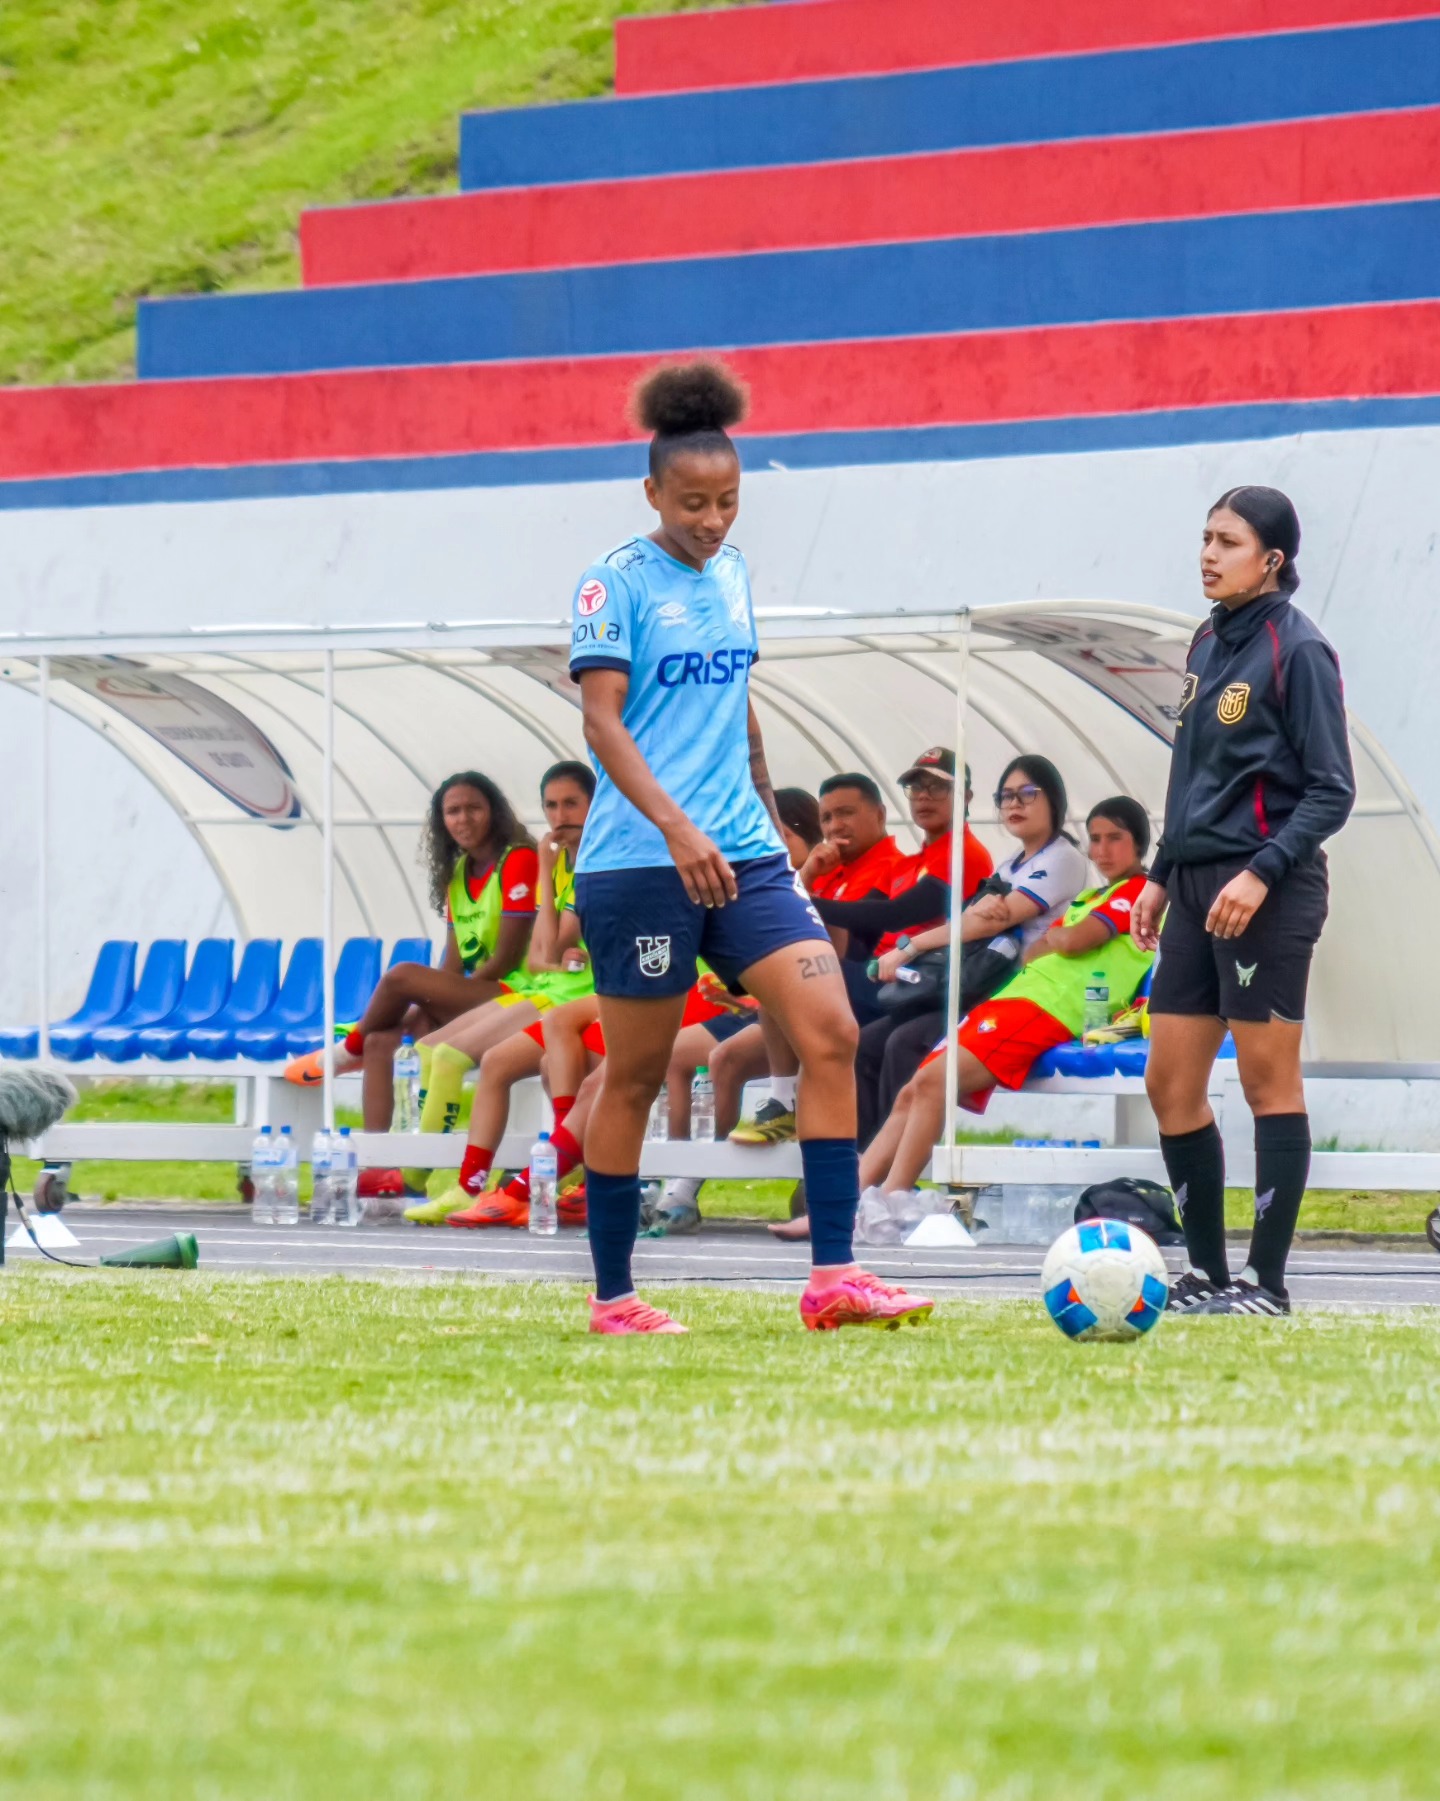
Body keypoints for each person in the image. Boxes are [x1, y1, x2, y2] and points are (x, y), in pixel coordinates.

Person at [568, 358, 932, 1333]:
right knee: (635, 1074)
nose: (713, 520)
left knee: (832, 1031)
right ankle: (614, 1297)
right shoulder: (613, 584)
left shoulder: (731, 574)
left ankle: (834, 1277)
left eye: (728, 501)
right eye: (693, 503)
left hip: (743, 857)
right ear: (653, 492)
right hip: (641, 862)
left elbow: (735, 704)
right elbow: (603, 723)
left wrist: (768, 816)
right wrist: (677, 827)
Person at [1132, 486, 1354, 1317]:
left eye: (1227, 542)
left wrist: (1261, 871)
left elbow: (1332, 790)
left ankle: (1265, 1282)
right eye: (1205, 538)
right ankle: (1205, 1273)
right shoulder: (1205, 639)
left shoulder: (1300, 649)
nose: (1207, 554)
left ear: (1272, 560)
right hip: (1193, 886)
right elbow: (1191, 772)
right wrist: (1160, 871)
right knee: (1169, 1083)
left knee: (1267, 1082)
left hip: (1268, 889)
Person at [860, 797, 1154, 1200]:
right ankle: (850, 1202)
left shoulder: (1140, 892)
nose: (1102, 850)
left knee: (931, 1084)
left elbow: (1073, 940)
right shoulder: (1089, 899)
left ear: (1140, 843)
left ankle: (891, 1203)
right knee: (914, 1089)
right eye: (1096, 839)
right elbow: (1035, 952)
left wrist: (1059, 939)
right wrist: (1059, 939)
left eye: (1115, 838)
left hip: (1049, 1006)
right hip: (1018, 998)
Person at [286, 772, 539, 1199]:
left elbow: (505, 960)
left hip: (515, 995)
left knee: (402, 975)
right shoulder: (458, 873)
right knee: (382, 1041)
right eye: (452, 811)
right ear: (442, 822)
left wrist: (437, 995)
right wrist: (434, 999)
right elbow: (452, 963)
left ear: (494, 812)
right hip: (478, 997)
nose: (463, 819)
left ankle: (345, 1051)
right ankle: (382, 1167)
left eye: (473, 808)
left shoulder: (519, 860)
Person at [399, 761, 596, 1223]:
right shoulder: (561, 863)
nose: (560, 815)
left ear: (595, 805)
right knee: (441, 1051)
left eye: (572, 803)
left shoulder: (601, 860)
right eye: (551, 805)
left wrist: (556, 952)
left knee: (451, 1054)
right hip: (547, 986)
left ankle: (410, 1176)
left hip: (576, 996)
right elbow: (541, 955)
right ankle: (463, 1186)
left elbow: (554, 947)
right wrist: (547, 870)